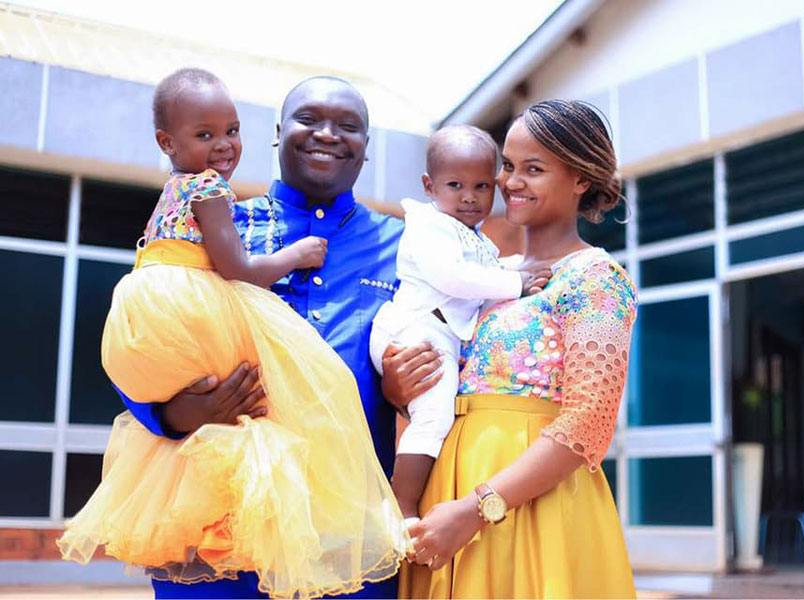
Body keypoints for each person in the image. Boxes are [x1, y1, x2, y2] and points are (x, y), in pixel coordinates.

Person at [57, 68, 407, 599]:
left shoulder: (405, 248)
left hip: (344, 536)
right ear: (276, 133)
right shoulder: (213, 229)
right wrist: (177, 413)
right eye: (308, 119)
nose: (328, 134)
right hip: (215, 535)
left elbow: (452, 350)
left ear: (367, 147)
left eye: (349, 125)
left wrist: (408, 389)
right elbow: (145, 340)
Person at [400, 99, 638, 598]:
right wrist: (398, 385)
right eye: (507, 166)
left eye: (534, 169)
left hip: (533, 511)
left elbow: (588, 422)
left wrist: (476, 508)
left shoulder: (596, 278)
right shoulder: (486, 275)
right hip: (447, 498)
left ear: (580, 179)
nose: (510, 183)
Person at [369, 125, 551, 525]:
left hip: (437, 331)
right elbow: (453, 277)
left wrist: (519, 269)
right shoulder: (428, 225)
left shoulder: (474, 236)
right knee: (434, 414)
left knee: (441, 416)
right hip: (414, 330)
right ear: (429, 185)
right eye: (456, 184)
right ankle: (401, 504)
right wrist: (516, 281)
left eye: (482, 186)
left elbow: (483, 271)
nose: (470, 196)